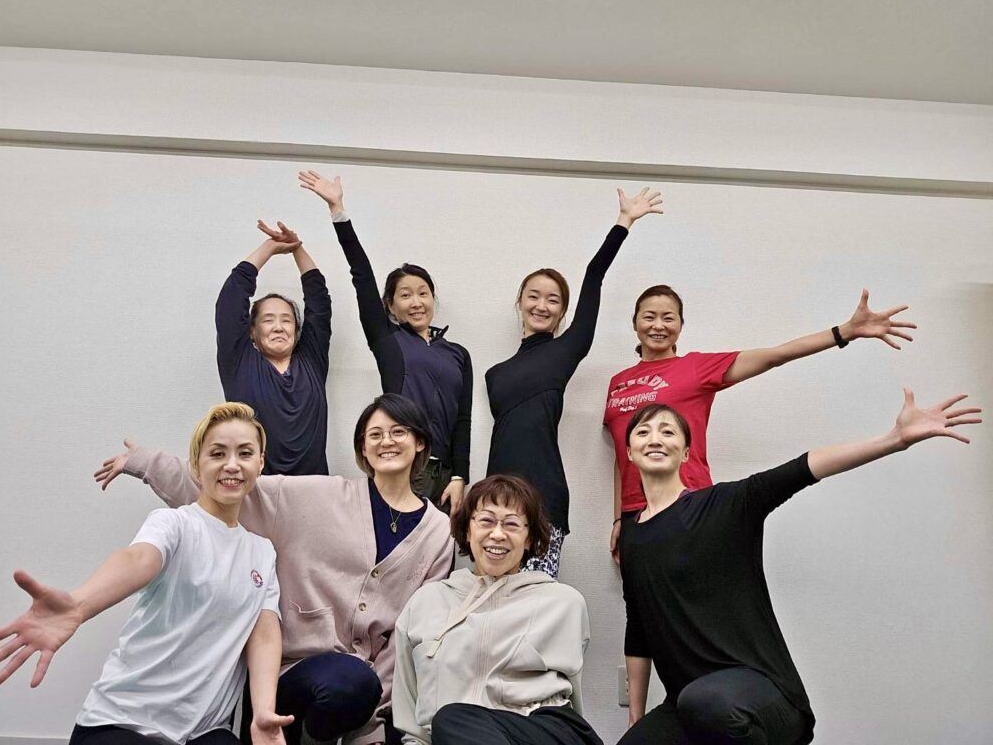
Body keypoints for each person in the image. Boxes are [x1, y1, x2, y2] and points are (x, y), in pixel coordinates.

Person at [617, 391, 981, 745]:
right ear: (630, 452)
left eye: (668, 432)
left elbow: (803, 468)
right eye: (643, 432)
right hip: (686, 704)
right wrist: (636, 715)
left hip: (763, 697)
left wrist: (894, 439)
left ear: (686, 452)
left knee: (707, 703)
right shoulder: (631, 536)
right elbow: (639, 629)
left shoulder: (723, 506)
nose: (656, 439)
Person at [95, 393, 454, 745]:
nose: (386, 442)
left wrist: (373, 721)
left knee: (356, 684)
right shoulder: (319, 495)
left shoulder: (439, 532)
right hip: (290, 670)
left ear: (420, 442)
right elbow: (234, 485)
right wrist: (146, 462)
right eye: (375, 434)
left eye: (398, 432)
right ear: (363, 447)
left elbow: (412, 630)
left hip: (365, 683)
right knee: (347, 681)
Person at [0, 403, 291, 745]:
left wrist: (263, 712)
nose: (232, 464)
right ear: (196, 464)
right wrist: (79, 604)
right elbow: (138, 560)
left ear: (260, 463)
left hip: (204, 732)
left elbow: (264, 636)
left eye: (245, 453)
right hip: (122, 722)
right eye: (217, 453)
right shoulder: (174, 524)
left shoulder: (262, 552)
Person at [606, 285, 917, 562]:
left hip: (689, 504)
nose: (658, 325)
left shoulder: (696, 368)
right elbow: (622, 453)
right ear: (635, 323)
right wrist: (619, 517)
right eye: (649, 317)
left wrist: (844, 332)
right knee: (641, 599)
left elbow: (776, 356)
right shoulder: (618, 383)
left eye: (668, 318)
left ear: (681, 325)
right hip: (636, 516)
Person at [486, 187, 663, 577]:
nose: (541, 305)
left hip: (543, 500)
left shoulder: (565, 350)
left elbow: (594, 275)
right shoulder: (493, 374)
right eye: (534, 296)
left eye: (553, 300)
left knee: (535, 603)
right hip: (494, 500)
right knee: (491, 601)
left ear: (563, 311)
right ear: (520, 302)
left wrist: (624, 221)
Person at [298, 170, 471, 515]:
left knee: (442, 549)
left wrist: (460, 476)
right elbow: (361, 275)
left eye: (423, 293)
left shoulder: (458, 354)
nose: (416, 302)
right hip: (404, 469)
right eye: (405, 295)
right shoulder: (388, 340)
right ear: (390, 306)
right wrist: (338, 211)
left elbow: (463, 420)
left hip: (445, 478)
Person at [393, 474, 602, 745]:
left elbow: (573, 693)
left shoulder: (563, 602)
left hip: (541, 730)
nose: (498, 534)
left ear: (529, 538)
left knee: (453, 718)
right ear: (468, 530)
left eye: (512, 524)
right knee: (452, 720)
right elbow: (410, 708)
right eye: (486, 521)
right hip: (457, 735)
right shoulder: (426, 603)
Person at [216, 219, 331, 475]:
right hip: (256, 488)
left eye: (286, 320)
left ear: (297, 330)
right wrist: (269, 247)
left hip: (314, 488)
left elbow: (319, 301)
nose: (278, 327)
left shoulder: (311, 360)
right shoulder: (240, 363)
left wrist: (297, 247)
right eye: (268, 320)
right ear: (252, 331)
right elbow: (231, 299)